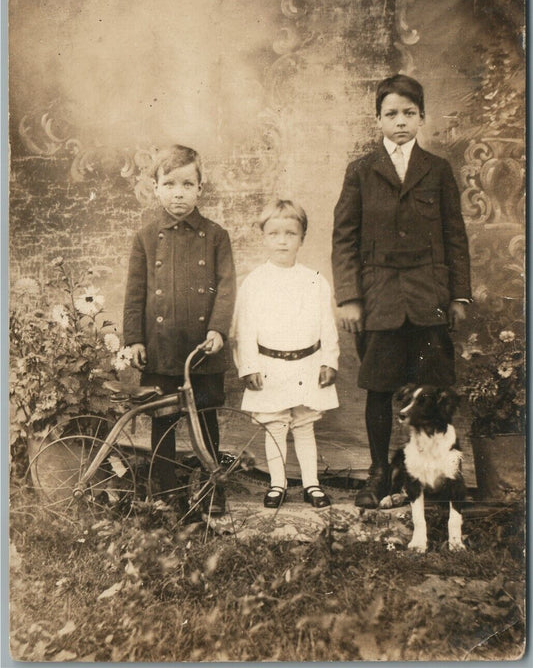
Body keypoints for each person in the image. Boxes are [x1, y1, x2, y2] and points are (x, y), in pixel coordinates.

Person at [331, 74, 471, 508]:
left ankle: (444, 478)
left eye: (409, 113)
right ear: (378, 120)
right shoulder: (361, 171)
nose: (401, 122)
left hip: (428, 298)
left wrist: (458, 296)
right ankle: (378, 475)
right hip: (380, 298)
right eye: (391, 114)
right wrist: (351, 297)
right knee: (378, 388)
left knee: (437, 391)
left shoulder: (438, 169)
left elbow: (455, 236)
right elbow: (344, 238)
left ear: (422, 118)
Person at [123, 144, 236, 513]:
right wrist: (134, 339)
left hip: (204, 348)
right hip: (161, 346)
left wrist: (218, 330)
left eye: (187, 184)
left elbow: (226, 288)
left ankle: (211, 488)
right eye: (169, 184)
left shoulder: (217, 235)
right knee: (164, 420)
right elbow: (135, 293)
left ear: (200, 188)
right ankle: (165, 491)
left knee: (205, 419)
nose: (178, 193)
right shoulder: (145, 236)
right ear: (155, 187)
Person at [232, 199, 339, 509]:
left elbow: (327, 325)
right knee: (276, 426)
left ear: (302, 238)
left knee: (304, 425)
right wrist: (249, 366)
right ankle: (277, 483)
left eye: (290, 234)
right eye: (274, 233)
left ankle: (311, 485)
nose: (282, 241)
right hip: (270, 366)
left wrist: (328, 360)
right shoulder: (254, 282)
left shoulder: (315, 280)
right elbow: (244, 329)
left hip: (306, 364)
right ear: (263, 236)